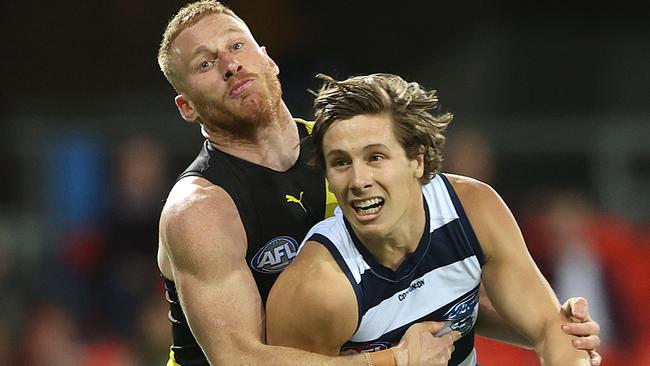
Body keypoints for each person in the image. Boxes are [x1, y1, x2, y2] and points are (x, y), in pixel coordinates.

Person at [156, 1, 601, 365]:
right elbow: (238, 361)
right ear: (186, 107)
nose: (230, 65)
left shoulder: (344, 149)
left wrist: (550, 329)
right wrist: (391, 362)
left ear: (268, 58)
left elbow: (417, 287)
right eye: (206, 63)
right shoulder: (201, 209)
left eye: (237, 45)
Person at [265, 73, 595, 366]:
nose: (358, 180)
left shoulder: (473, 210)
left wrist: (569, 340)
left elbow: (553, 328)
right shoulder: (317, 288)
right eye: (340, 162)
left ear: (417, 161)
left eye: (375, 157)